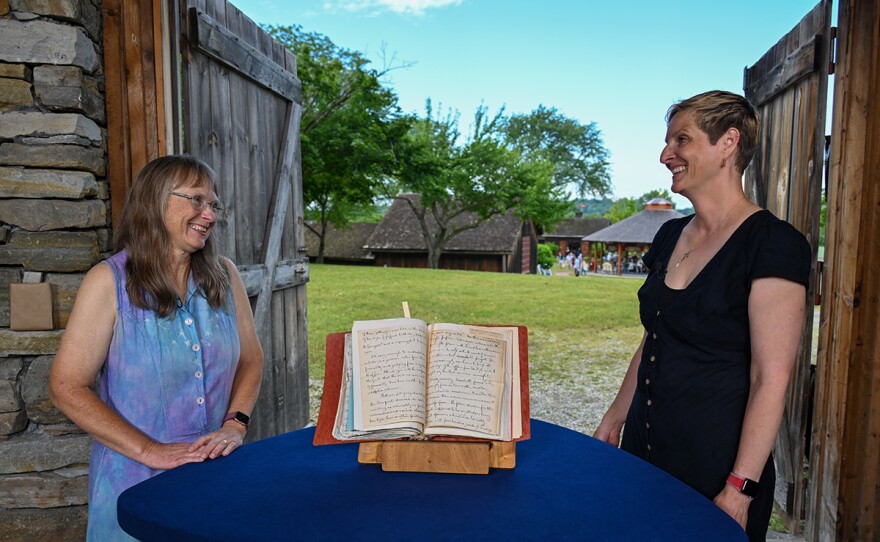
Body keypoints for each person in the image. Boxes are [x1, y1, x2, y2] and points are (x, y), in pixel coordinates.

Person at [593, 91, 810, 542]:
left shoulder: (772, 243)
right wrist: (615, 418)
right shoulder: (670, 234)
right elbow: (656, 337)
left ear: (728, 142)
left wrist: (740, 487)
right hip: (643, 449)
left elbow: (770, 377)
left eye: (682, 140)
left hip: (715, 466)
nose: (665, 154)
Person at [49, 155, 263, 540]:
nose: (209, 215)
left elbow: (251, 359)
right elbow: (67, 386)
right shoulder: (108, 282)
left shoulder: (224, 276)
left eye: (213, 204)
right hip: (134, 487)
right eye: (196, 200)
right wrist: (150, 450)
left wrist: (235, 424)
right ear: (156, 200)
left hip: (214, 480)